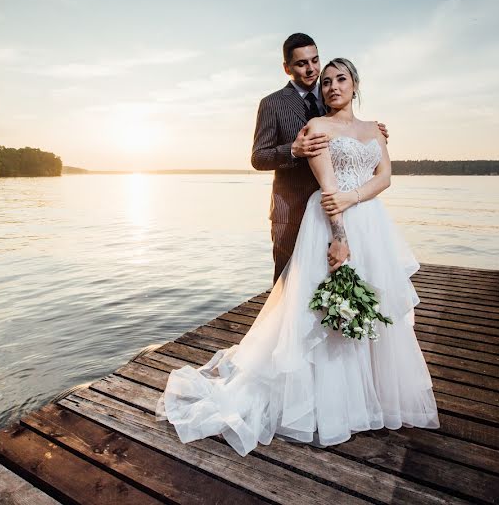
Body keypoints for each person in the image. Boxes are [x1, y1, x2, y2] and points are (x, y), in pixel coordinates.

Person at [157, 57, 439, 456]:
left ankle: (376, 394)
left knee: (374, 302)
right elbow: (327, 188)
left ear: (356, 85)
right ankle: (330, 403)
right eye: (326, 82)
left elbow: (384, 177)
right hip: (331, 221)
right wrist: (339, 236)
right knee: (327, 312)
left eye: (341, 79)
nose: (332, 86)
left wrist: (356, 195)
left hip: (372, 222)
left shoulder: (375, 129)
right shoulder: (318, 128)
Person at [249, 33, 387, 283]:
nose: (311, 68)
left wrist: (372, 134)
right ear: (286, 67)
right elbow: (258, 157)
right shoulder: (272, 104)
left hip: (339, 208)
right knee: (288, 286)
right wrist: (293, 150)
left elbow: (348, 132)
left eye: (315, 60)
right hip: (291, 211)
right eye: (302, 63)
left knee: (339, 279)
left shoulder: (331, 94)